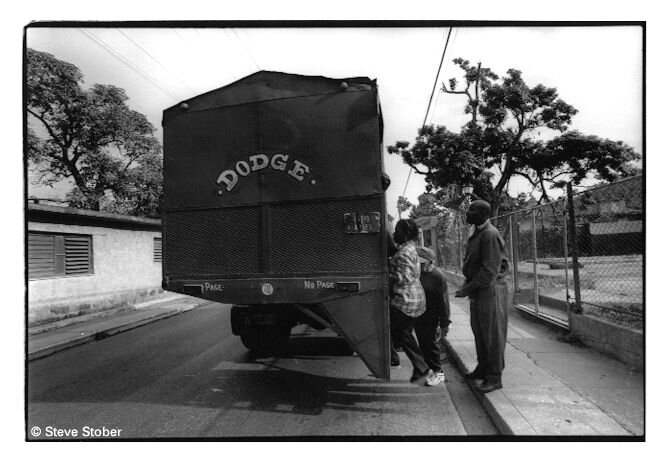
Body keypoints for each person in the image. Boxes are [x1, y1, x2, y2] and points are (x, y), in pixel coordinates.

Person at [455, 200, 510, 393]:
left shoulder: (489, 234)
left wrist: (466, 289)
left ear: (484, 214)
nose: (468, 212)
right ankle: (483, 368)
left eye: (472, 210)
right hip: (481, 290)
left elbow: (489, 271)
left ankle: (495, 377)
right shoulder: (478, 233)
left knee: (492, 335)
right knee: (479, 331)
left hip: (491, 290)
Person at [388, 219, 434, 385]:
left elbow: (403, 278)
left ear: (406, 234)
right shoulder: (409, 249)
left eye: (397, 231)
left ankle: (422, 368)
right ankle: (420, 369)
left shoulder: (404, 253)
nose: (394, 234)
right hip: (414, 298)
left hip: (406, 300)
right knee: (404, 333)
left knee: (399, 332)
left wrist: (387, 276)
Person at [415, 246, 451, 386]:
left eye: (422, 263)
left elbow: (443, 302)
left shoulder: (437, 276)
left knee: (431, 345)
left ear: (429, 262)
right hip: (419, 315)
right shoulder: (419, 274)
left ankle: (438, 372)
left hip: (432, 317)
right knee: (424, 345)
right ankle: (431, 371)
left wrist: (444, 323)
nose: (419, 265)